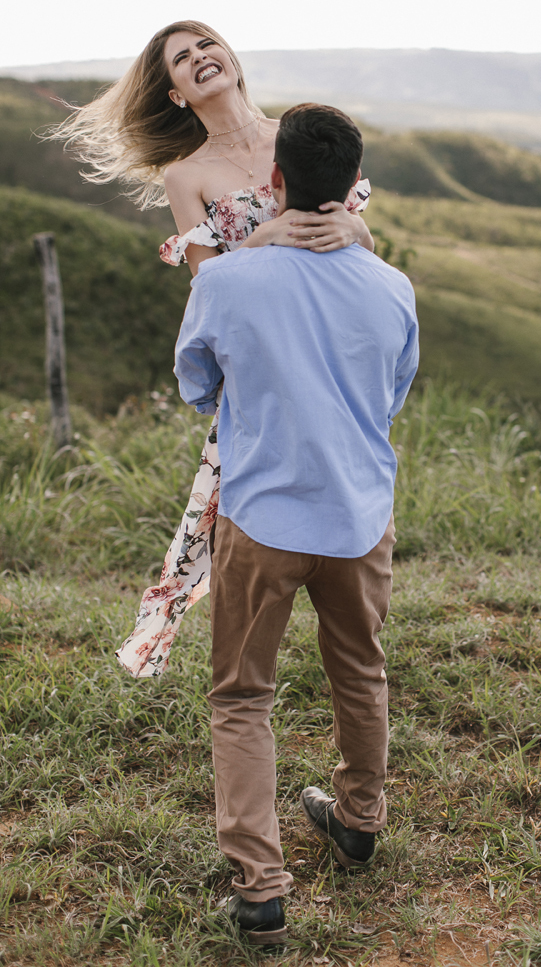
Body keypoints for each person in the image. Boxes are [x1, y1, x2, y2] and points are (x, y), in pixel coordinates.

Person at [47, 21, 373, 675]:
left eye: (206, 46)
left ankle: (350, 631)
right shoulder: (186, 175)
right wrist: (277, 233)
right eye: (182, 58)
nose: (200, 58)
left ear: (230, 56)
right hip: (260, 366)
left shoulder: (302, 135)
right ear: (173, 94)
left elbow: (364, 247)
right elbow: (209, 288)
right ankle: (246, 667)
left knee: (349, 526)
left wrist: (348, 231)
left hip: (335, 354)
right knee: (251, 535)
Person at [174, 102, 418, 945]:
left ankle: (261, 891)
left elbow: (198, 383)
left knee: (242, 695)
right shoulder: (392, 286)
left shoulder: (228, 281)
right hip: (358, 513)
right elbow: (392, 395)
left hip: (263, 516)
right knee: (360, 671)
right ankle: (357, 822)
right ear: (355, 190)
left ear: (273, 184)